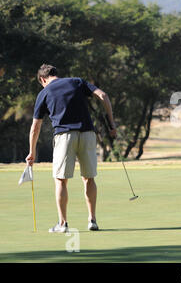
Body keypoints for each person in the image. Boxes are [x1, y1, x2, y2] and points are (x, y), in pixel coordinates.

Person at [26, 64, 117, 233]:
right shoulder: (77, 82)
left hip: (64, 136)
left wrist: (32, 151)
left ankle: (62, 224)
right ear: (56, 74)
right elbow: (103, 95)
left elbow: (35, 127)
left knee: (60, 180)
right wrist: (112, 124)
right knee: (89, 178)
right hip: (88, 134)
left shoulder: (44, 92)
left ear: (42, 79)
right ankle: (92, 220)